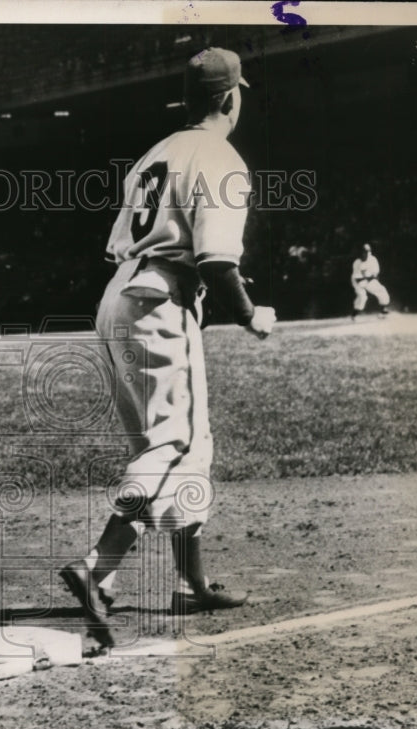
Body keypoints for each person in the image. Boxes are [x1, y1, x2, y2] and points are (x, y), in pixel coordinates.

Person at [59, 48, 276, 649]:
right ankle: (95, 570)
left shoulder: (157, 152)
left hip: (122, 297)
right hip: (163, 301)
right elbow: (216, 259)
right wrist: (250, 314)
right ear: (231, 98)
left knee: (171, 447)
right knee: (175, 443)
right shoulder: (221, 157)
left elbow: (124, 247)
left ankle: (195, 581)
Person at [351, 243, 390, 319]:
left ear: (370, 252)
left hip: (369, 279)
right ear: (361, 253)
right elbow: (358, 279)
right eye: (364, 252)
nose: (366, 254)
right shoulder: (357, 262)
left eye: (368, 251)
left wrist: (372, 278)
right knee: (363, 297)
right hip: (357, 281)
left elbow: (375, 274)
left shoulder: (373, 259)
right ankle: (354, 314)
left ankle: (383, 310)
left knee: (381, 290)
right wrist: (369, 278)